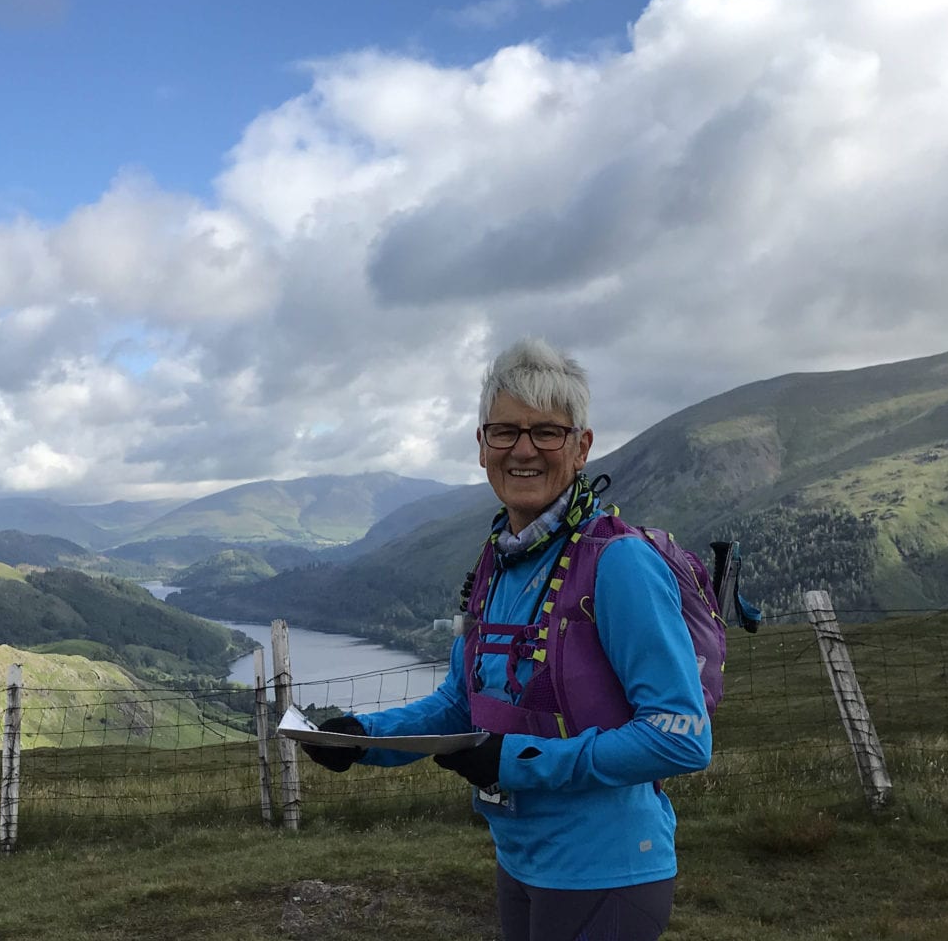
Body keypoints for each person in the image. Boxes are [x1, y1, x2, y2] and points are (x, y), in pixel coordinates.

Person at [302, 338, 711, 941]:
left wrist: (517, 762)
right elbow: (460, 703)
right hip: (519, 858)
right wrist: (363, 737)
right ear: (481, 445)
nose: (523, 450)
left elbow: (681, 738)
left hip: (607, 866)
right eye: (505, 431)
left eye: (547, 432)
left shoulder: (619, 563)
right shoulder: (498, 561)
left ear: (581, 447)